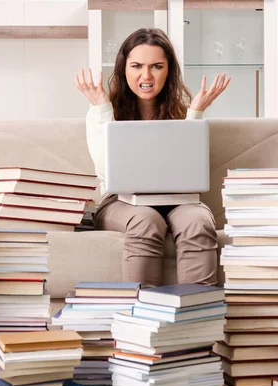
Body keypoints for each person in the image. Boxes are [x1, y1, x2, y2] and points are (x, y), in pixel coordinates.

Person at [75, 28, 231, 288]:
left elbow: (188, 170)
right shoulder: (101, 111)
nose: (146, 76)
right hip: (119, 202)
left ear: (168, 71)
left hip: (177, 200)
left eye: (156, 66)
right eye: (136, 66)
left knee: (198, 221)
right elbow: (106, 169)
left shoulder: (181, 111)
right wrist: (103, 109)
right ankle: (143, 317)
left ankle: (199, 316)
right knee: (146, 220)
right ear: (124, 69)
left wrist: (195, 114)